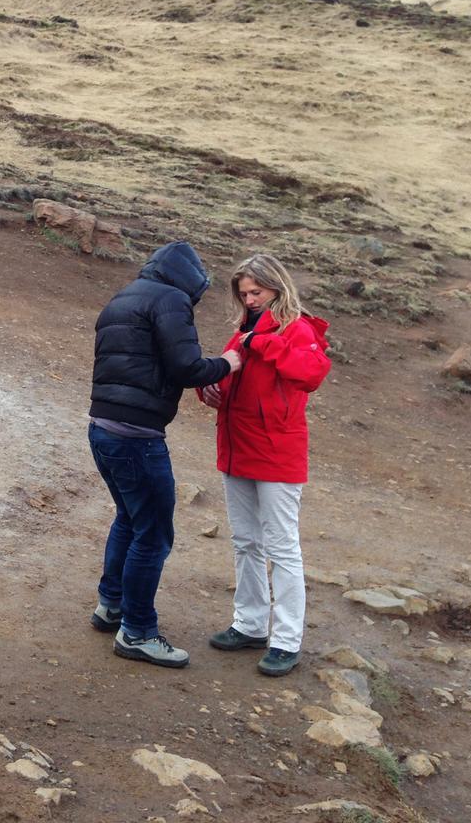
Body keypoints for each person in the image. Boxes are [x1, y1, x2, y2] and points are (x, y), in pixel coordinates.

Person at [88, 241, 240, 668]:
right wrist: (228, 363)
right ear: (189, 279)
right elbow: (185, 367)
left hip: (102, 428)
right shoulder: (171, 300)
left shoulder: (125, 296)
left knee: (129, 519)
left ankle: (111, 607)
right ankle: (137, 632)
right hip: (137, 437)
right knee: (153, 535)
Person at [199, 253, 331, 677]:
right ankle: (250, 624)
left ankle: (286, 640)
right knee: (245, 541)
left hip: (276, 452)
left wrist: (263, 342)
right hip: (238, 447)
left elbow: (311, 372)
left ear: (277, 286)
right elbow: (228, 375)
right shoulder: (244, 330)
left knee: (282, 548)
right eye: (244, 293)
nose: (250, 299)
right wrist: (209, 389)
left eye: (256, 291)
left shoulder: (298, 328)